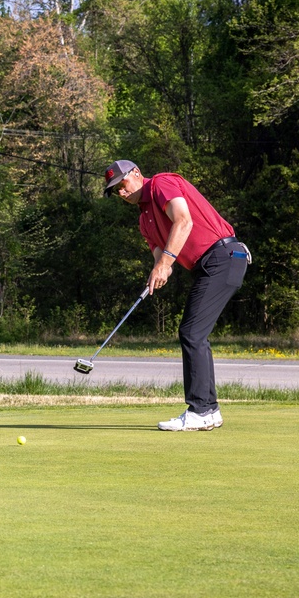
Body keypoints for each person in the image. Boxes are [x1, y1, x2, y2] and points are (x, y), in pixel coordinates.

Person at [104, 160, 250, 431]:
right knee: (194, 333)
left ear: (136, 173)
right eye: (115, 191)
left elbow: (183, 221)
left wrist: (165, 264)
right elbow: (161, 255)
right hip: (207, 265)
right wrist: (159, 269)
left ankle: (200, 410)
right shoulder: (144, 221)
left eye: (122, 185)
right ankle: (210, 410)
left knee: (191, 333)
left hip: (224, 255)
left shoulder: (161, 183)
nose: (121, 193)